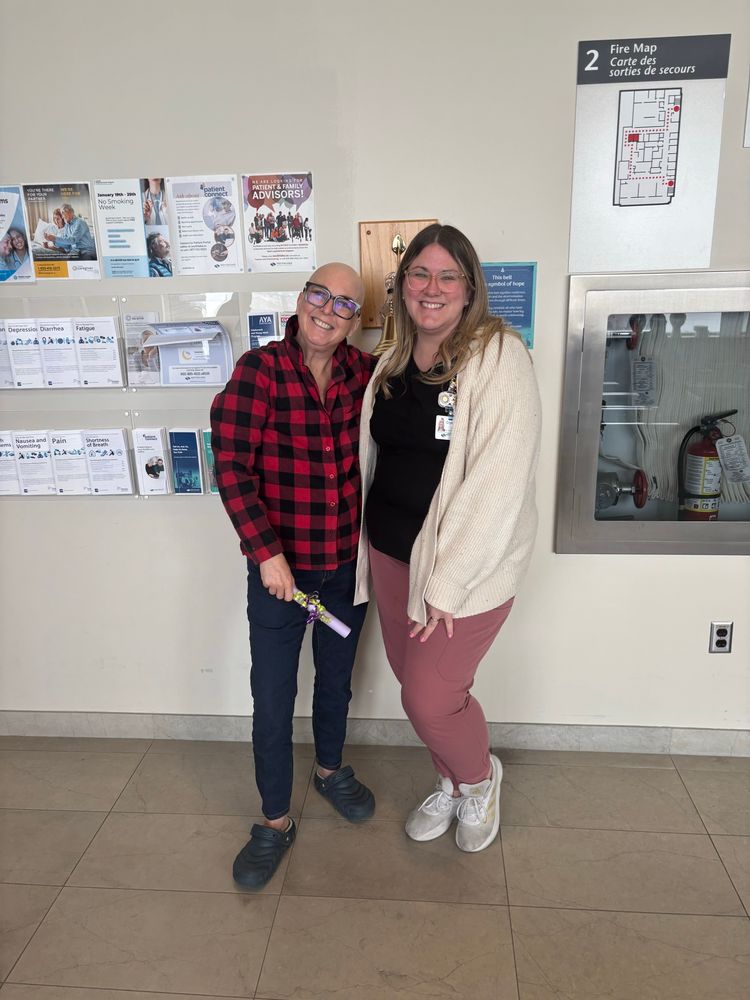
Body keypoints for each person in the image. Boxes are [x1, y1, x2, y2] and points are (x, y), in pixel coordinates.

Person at [355, 224, 541, 854]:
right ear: (402, 284)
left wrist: (448, 584)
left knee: (432, 697)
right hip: (390, 555)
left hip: (464, 569)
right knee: (415, 690)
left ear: (469, 287)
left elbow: (498, 483)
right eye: (419, 273)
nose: (431, 288)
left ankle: (480, 780)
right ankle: (453, 781)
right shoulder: (393, 357)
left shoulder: (499, 356)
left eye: (447, 276)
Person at [210, 262, 378, 890]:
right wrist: (266, 554)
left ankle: (329, 771)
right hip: (282, 581)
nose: (328, 310)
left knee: (335, 681)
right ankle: (275, 819)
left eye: (344, 304)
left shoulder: (366, 375)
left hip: (343, 579)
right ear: (301, 298)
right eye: (320, 295)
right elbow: (231, 466)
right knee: (274, 697)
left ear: (356, 320)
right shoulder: (260, 371)